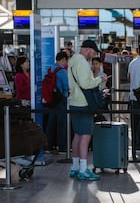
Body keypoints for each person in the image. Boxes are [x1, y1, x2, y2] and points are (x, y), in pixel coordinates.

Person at [68, 40, 108, 181]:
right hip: (83, 104)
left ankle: (74, 167)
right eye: (93, 52)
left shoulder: (72, 60)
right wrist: (99, 80)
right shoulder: (83, 62)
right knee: (85, 135)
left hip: (73, 102)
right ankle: (84, 170)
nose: (93, 55)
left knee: (77, 135)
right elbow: (85, 83)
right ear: (88, 49)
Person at [46, 51, 69, 153]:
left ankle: (49, 145)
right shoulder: (62, 71)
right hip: (60, 100)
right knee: (61, 124)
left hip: (51, 99)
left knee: (51, 123)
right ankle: (62, 146)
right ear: (63, 59)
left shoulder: (50, 68)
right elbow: (66, 87)